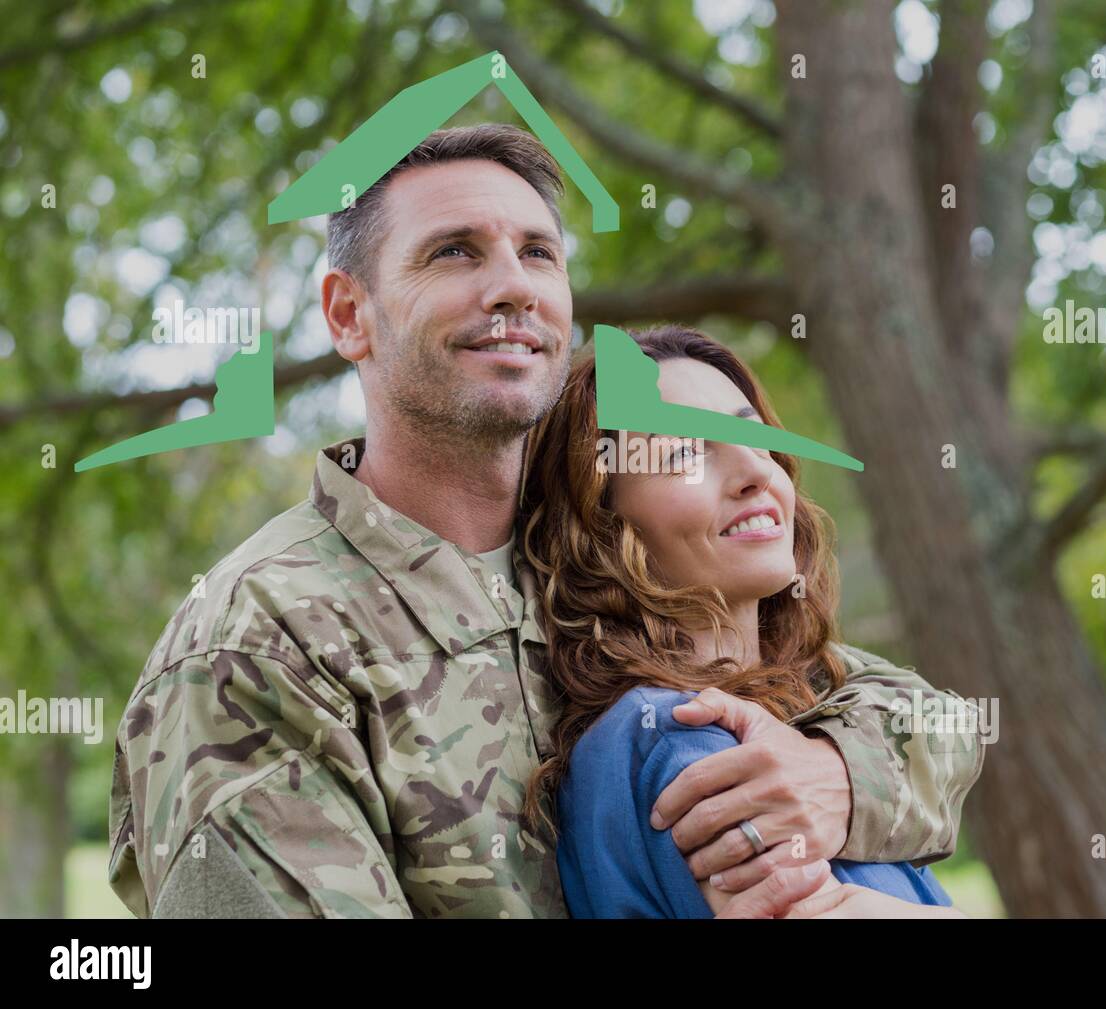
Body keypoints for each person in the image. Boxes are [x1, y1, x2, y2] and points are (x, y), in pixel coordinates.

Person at [108, 124, 981, 918]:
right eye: (454, 252)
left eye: (539, 253)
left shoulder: (610, 559)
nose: (514, 287)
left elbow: (910, 711)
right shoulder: (260, 644)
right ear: (349, 313)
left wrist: (834, 775)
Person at [521, 326, 982, 917]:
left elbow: (943, 720)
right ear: (599, 525)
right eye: (685, 451)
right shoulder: (683, 737)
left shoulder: (810, 690)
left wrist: (843, 775)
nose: (754, 471)